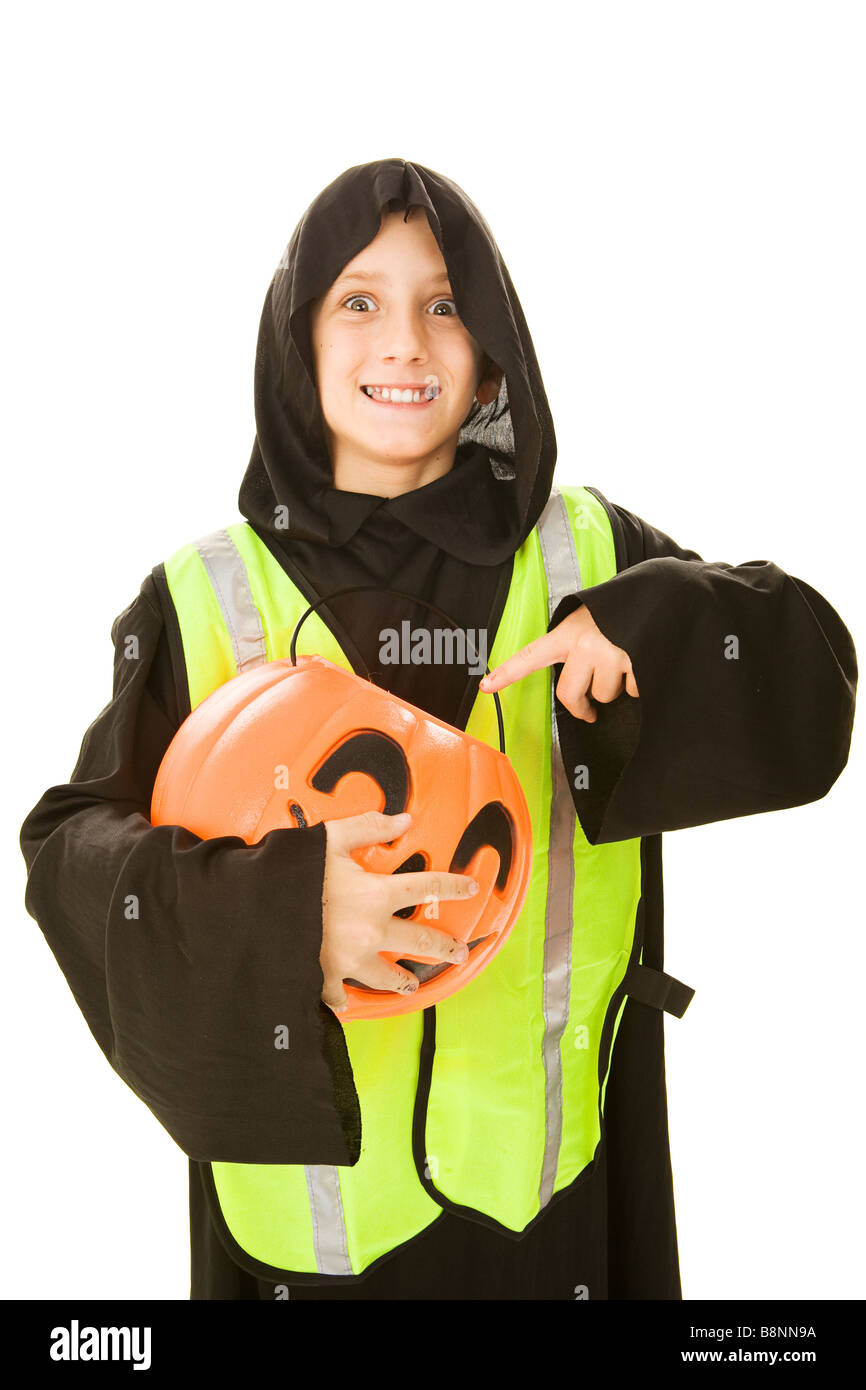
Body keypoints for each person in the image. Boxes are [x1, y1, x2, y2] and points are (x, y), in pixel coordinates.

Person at [19, 157, 857, 1301]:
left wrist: (657, 627)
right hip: (307, 1250)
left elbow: (811, 671)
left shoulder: (589, 554)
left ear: (491, 348)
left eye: (444, 301)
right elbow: (71, 856)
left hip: (547, 1211)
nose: (403, 340)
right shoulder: (206, 596)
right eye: (357, 300)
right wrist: (282, 915)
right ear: (295, 341)